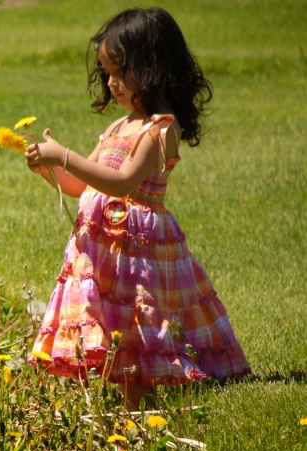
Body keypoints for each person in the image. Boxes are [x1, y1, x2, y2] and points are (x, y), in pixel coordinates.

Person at [24, 7, 251, 410]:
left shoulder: (160, 131)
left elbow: (123, 181)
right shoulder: (117, 126)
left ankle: (141, 414)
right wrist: (49, 167)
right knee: (115, 330)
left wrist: (66, 154)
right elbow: (82, 185)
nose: (111, 83)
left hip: (136, 252)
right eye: (106, 73)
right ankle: (131, 416)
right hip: (103, 252)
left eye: (119, 72)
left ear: (152, 68)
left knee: (137, 327)